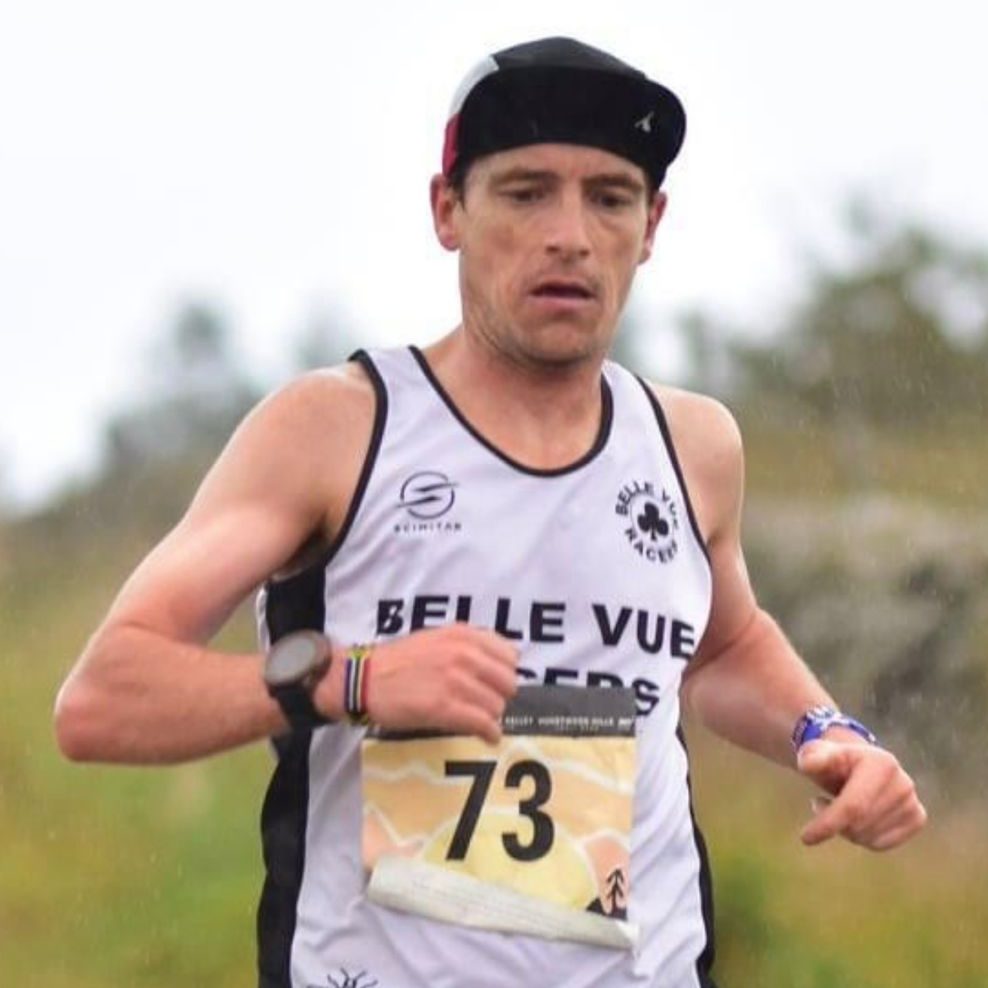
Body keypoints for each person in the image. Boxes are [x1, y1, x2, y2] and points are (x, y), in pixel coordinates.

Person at [54, 36, 927, 988]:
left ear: (652, 224)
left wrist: (824, 733)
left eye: (610, 198)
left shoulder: (693, 445)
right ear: (448, 210)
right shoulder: (336, 430)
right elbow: (102, 700)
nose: (570, 236)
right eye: (525, 193)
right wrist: (355, 680)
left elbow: (719, 647)